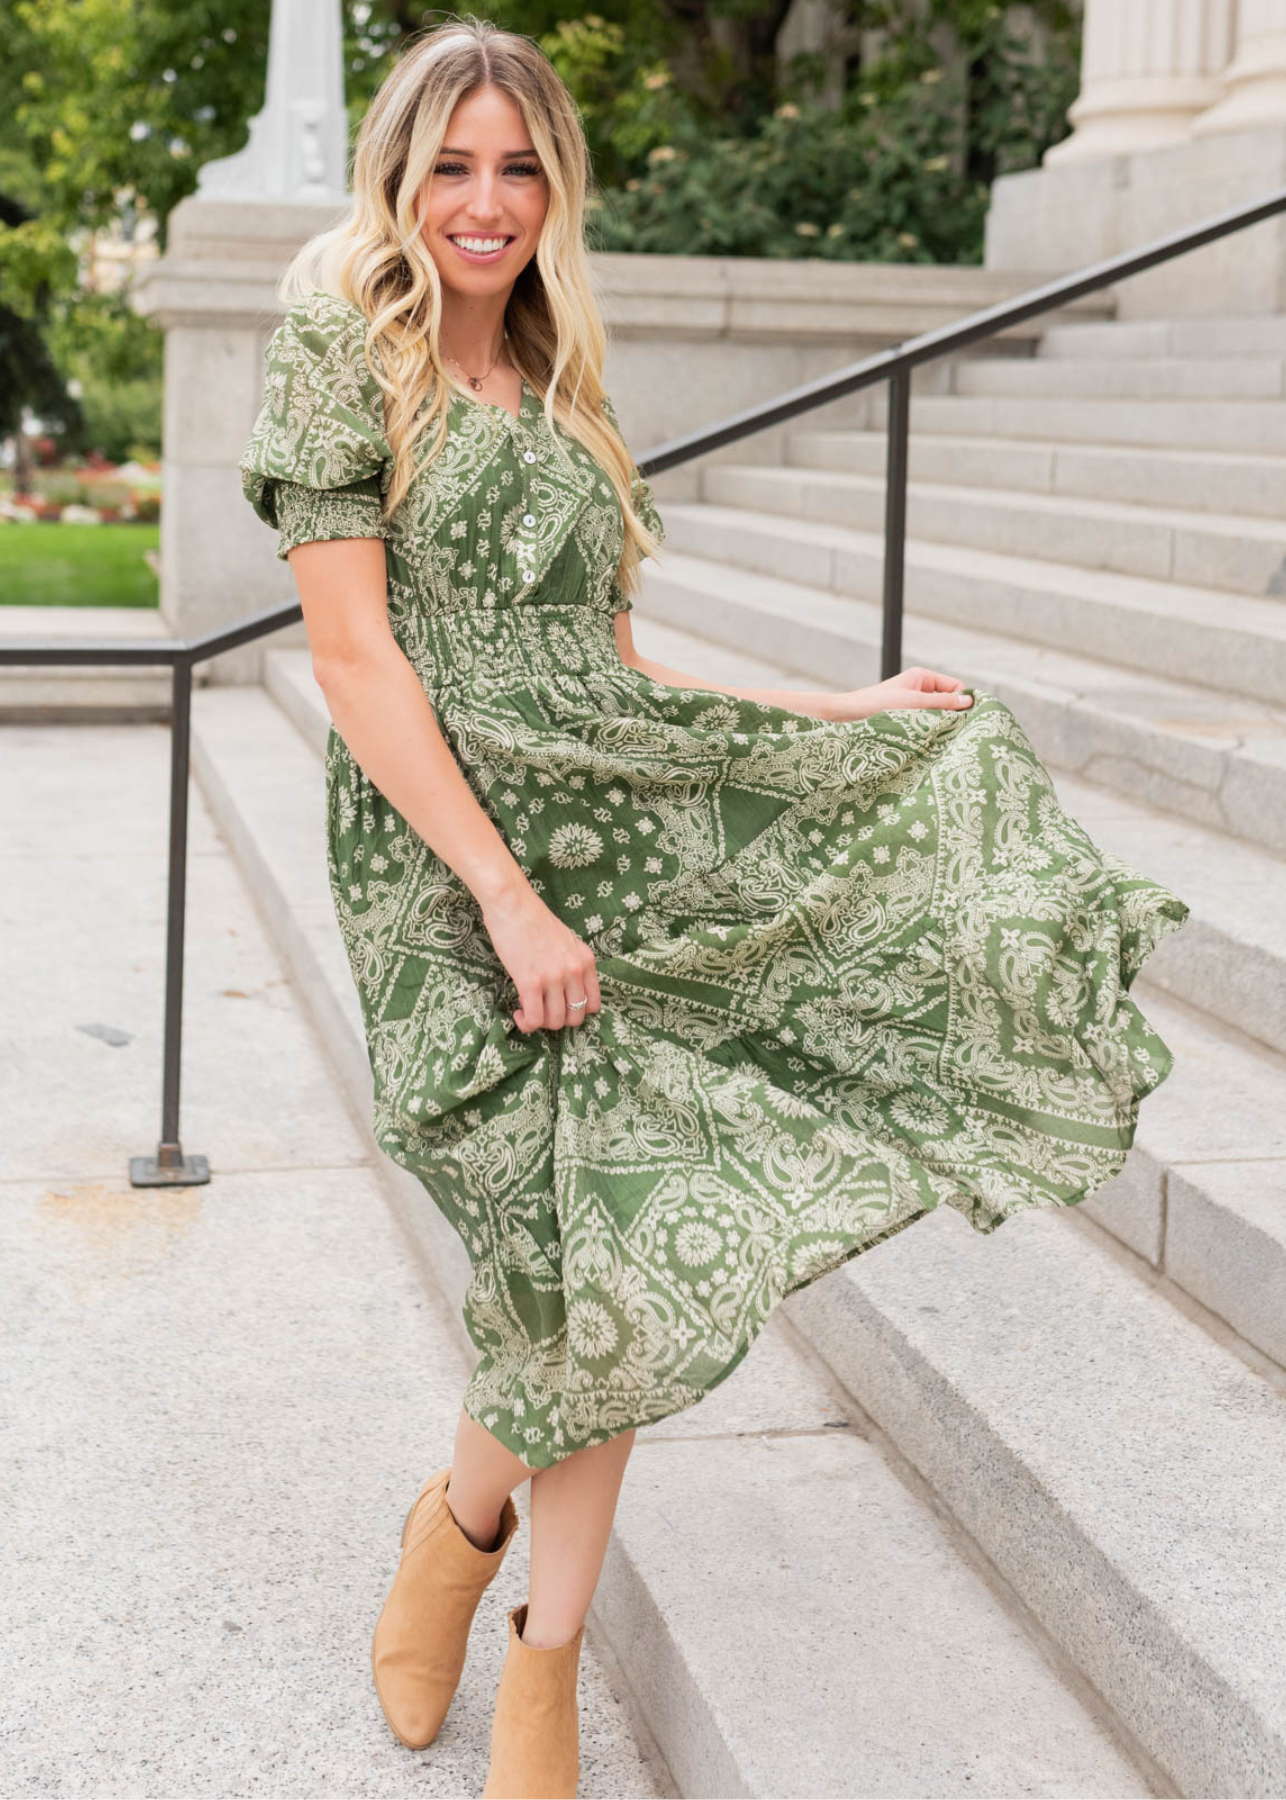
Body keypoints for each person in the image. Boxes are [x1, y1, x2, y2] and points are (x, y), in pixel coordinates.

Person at [238, 17, 1191, 1797]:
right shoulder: (336, 350)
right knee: (574, 1259)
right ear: (396, 172)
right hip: (449, 864)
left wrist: (824, 711)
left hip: (620, 835)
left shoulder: (558, 373)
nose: (487, 201)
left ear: (556, 188)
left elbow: (601, 661)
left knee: (609, 1258)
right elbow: (358, 659)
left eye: (520, 167)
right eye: (452, 162)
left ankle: (519, 1623)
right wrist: (510, 904)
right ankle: (459, 1548)